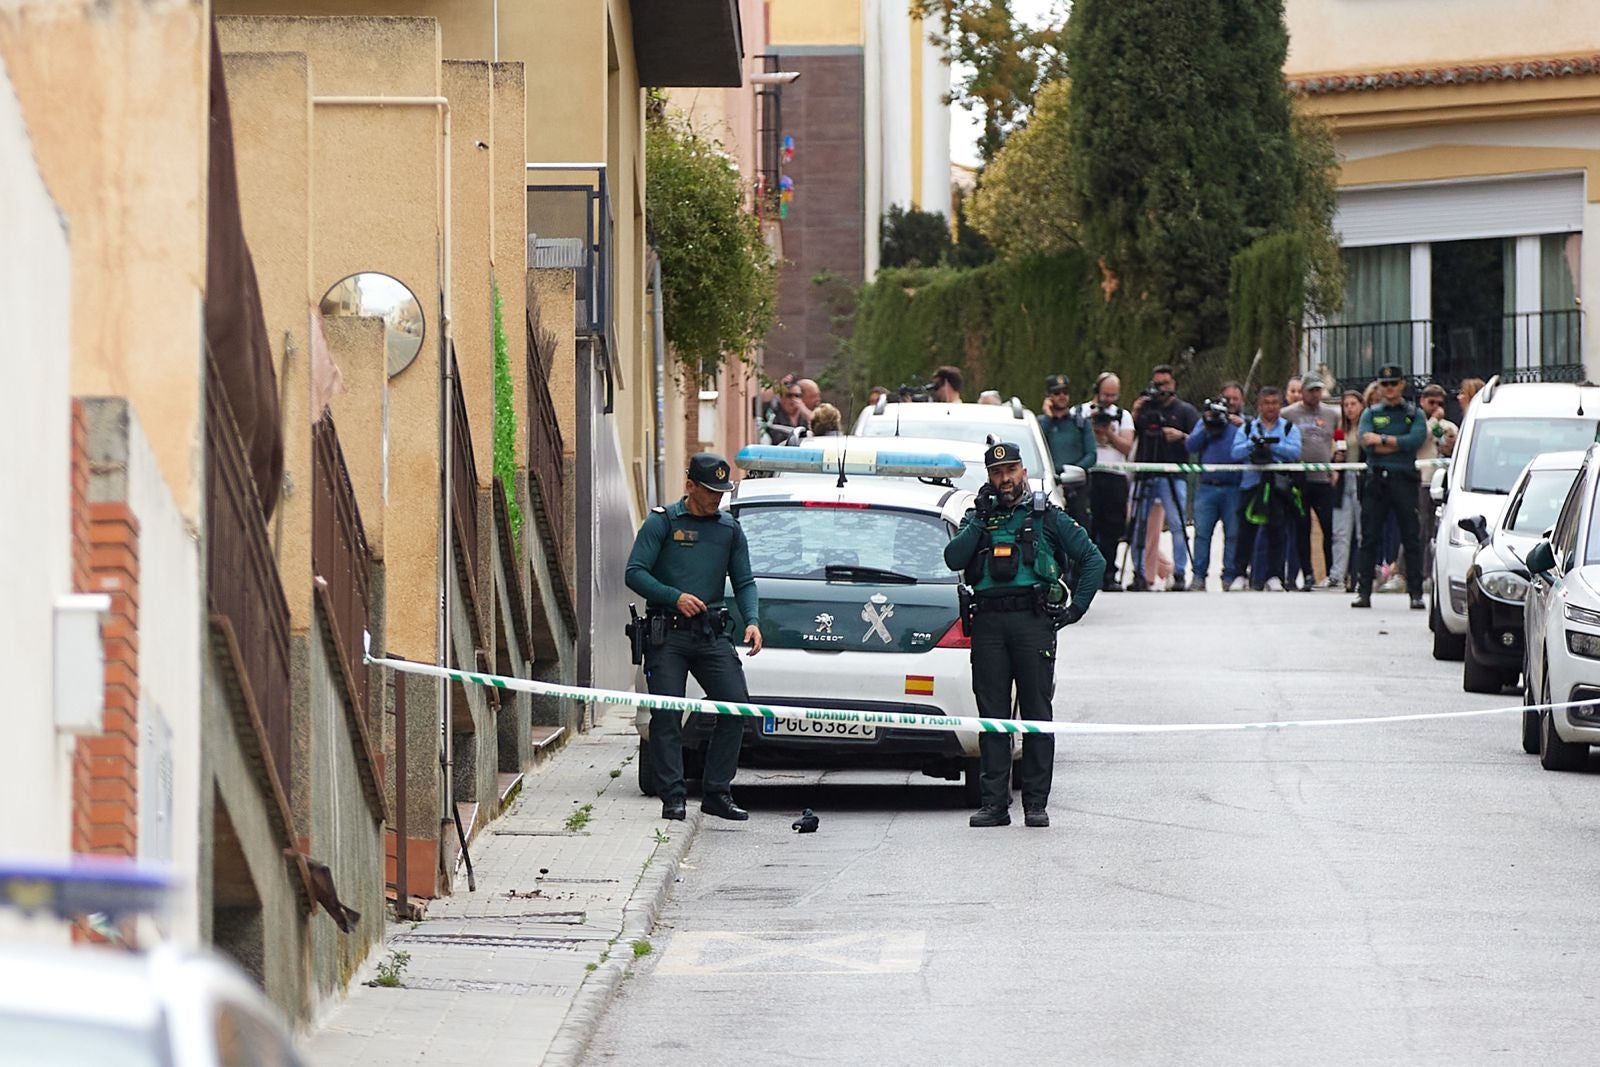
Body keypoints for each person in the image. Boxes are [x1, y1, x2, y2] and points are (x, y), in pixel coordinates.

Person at [944, 442, 1104, 828]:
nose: (1005, 480)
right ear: (988, 478)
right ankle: (994, 805)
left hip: (1032, 623)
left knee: (1035, 714)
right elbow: (953, 558)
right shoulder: (977, 517)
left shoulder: (1047, 516)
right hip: (989, 626)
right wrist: (980, 520)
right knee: (993, 717)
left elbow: (1092, 560)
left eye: (1011, 471)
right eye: (997, 474)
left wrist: (1075, 609)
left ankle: (1035, 803)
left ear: (1023, 473)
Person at [624, 454, 764, 821]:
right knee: (667, 716)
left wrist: (752, 620)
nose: (716, 498)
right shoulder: (663, 522)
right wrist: (674, 596)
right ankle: (673, 797)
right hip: (666, 634)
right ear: (690, 487)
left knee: (735, 708)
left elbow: (745, 581)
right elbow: (634, 573)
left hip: (710, 633)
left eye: (722, 491)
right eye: (709, 491)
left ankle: (717, 792)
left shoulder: (729, 529)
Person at [1352, 364, 1427, 610]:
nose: (1389, 388)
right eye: (1385, 384)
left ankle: (1415, 592)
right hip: (1377, 481)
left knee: (1411, 538)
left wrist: (1383, 440)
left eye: (1394, 383)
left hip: (1403, 479)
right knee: (1369, 537)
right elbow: (1366, 442)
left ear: (1402, 384)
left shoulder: (1413, 413)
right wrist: (1396, 443)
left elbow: (1414, 440)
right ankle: (1363, 592)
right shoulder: (1370, 413)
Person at [1128, 363, 1199, 591]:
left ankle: (1179, 573)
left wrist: (1180, 436)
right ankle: (1137, 572)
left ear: (1173, 384)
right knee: (1139, 524)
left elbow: (1198, 441)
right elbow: (1131, 434)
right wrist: (1135, 413)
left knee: (1177, 524)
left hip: (1173, 472)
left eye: (1165, 384)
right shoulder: (1146, 409)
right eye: (1156, 385)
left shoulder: (1185, 410)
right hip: (1147, 471)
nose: (1160, 389)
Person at [1232, 386, 1302, 590]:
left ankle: (1275, 576)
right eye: (1266, 403)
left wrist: (1273, 446)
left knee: (1277, 531)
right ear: (1259, 405)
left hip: (1278, 486)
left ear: (1280, 405)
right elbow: (1235, 452)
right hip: (1251, 485)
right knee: (1245, 532)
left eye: (1274, 403)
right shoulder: (1247, 428)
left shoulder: (1289, 428)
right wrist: (1254, 445)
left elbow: (1295, 451)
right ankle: (1239, 574)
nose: (1270, 407)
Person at [1074, 372, 1134, 591]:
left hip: (1114, 477)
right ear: (1096, 390)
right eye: (1105, 394)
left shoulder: (1122, 415)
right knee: (1085, 527)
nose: (1108, 400)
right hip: (1087, 475)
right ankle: (1082, 575)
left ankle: (1109, 574)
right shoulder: (1079, 412)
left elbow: (1127, 448)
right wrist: (1089, 430)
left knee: (1112, 528)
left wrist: (1109, 433)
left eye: (1113, 395)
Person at [1283, 376, 1341, 590]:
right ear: (1303, 392)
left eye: (1318, 390)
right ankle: (1307, 573)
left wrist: (1336, 464)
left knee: (1328, 526)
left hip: (1322, 479)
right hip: (1299, 478)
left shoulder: (1331, 414)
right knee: (1302, 527)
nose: (1314, 394)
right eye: (1310, 390)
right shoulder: (1289, 414)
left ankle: (1330, 573)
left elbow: (1338, 439)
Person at [1186, 382, 1245, 591]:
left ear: (1241, 401)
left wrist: (1239, 424)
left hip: (1234, 486)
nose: (1230, 403)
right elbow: (1191, 445)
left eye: (1234, 399)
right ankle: (1198, 577)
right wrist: (1206, 425)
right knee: (1202, 533)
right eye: (1226, 399)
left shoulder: (1244, 424)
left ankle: (1229, 576)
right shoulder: (1206, 421)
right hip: (1207, 486)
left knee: (1233, 533)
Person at [1038, 374, 1096, 527]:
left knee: (1080, 526)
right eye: (1057, 393)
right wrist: (1048, 418)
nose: (1062, 396)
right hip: (1050, 482)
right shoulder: (1041, 423)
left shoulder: (1080, 423)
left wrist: (1072, 471)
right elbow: (1037, 445)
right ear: (1048, 396)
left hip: (1076, 486)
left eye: (1065, 392)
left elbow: (1091, 454)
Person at [1327, 389, 1365, 591]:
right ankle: (1337, 575)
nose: (1349, 408)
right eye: (1346, 405)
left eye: (1353, 404)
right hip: (1343, 479)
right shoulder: (1341, 429)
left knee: (1362, 532)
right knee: (1340, 531)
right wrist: (1336, 459)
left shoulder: (1365, 427)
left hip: (1360, 478)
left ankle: (1360, 575)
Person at [762, 379, 809, 444]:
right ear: (781, 398)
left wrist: (805, 411)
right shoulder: (773, 416)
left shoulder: (804, 417)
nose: (793, 399)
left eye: (797, 396)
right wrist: (778, 386)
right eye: (789, 396)